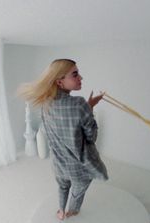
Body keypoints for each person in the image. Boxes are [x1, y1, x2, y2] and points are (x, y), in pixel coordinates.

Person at [18, 59, 108, 220]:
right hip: (79, 168)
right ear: (60, 82)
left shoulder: (45, 102)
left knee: (63, 186)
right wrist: (89, 108)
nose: (81, 77)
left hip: (58, 164)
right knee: (77, 191)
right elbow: (91, 137)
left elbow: (58, 128)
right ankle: (72, 212)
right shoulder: (79, 104)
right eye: (75, 74)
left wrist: (87, 107)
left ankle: (60, 211)